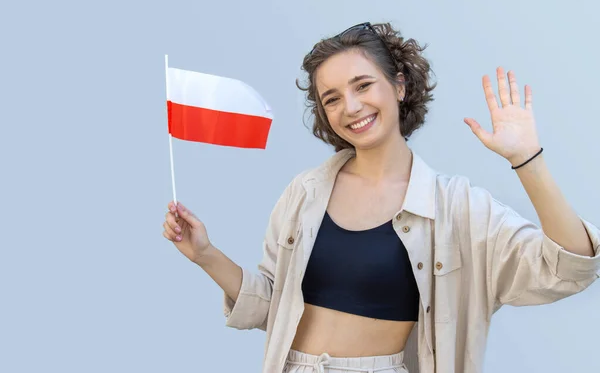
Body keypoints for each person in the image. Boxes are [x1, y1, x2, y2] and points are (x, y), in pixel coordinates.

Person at [162, 22, 600, 373]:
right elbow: (270, 308)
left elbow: (569, 268)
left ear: (401, 86)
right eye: (331, 99)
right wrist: (205, 254)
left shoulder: (457, 207)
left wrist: (529, 161)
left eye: (363, 86)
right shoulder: (305, 192)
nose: (350, 107)